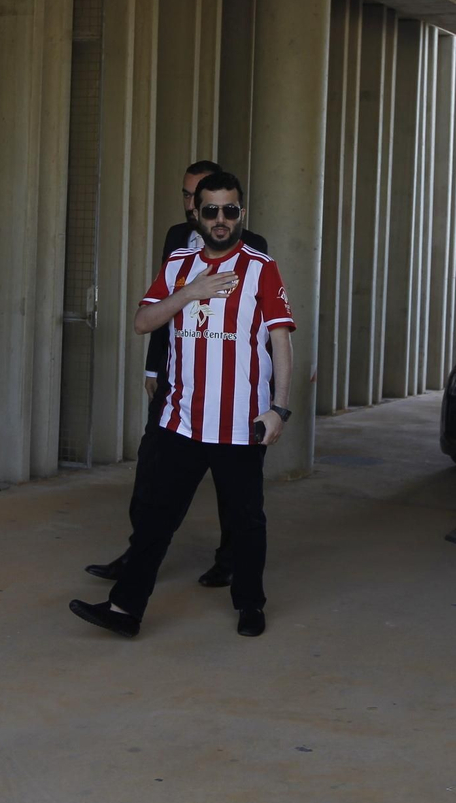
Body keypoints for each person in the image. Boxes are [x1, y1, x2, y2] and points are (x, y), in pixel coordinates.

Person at [70, 171, 294, 639]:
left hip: (239, 423)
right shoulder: (178, 265)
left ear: (241, 214)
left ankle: (250, 604)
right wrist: (190, 292)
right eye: (210, 210)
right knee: (155, 519)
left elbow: (280, 338)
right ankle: (125, 610)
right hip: (181, 420)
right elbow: (142, 322)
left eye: (229, 211)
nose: (220, 220)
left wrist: (279, 408)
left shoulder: (261, 267)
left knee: (247, 521)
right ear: (196, 213)